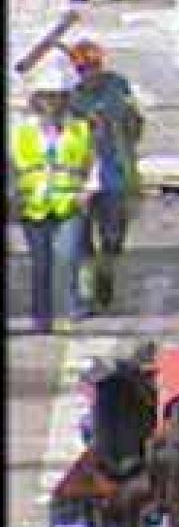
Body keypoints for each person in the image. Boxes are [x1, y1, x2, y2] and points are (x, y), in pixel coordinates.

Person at [7, 60, 95, 333]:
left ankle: (69, 311)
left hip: (69, 204)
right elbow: (11, 166)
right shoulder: (20, 132)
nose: (52, 104)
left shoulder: (80, 130)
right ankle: (41, 318)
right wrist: (13, 196)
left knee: (67, 258)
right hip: (34, 206)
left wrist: (89, 191)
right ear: (37, 100)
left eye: (58, 98)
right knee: (41, 264)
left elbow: (93, 164)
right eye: (47, 97)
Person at [65, 39, 145, 314]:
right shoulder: (71, 100)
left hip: (116, 174)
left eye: (93, 66)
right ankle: (91, 290)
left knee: (113, 235)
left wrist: (125, 124)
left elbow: (135, 126)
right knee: (82, 237)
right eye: (83, 69)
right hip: (84, 180)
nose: (89, 73)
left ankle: (105, 273)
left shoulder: (118, 87)